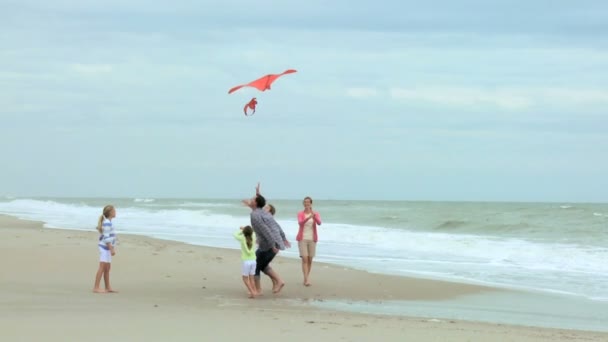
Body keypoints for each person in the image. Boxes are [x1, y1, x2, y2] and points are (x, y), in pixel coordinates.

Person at [248, 193, 291, 294]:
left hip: (269, 245)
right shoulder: (264, 214)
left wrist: (272, 245)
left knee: (255, 265)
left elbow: (265, 230)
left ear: (256, 203)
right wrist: (283, 238)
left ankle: (259, 290)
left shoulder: (256, 214)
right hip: (273, 243)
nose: (250, 200)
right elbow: (277, 226)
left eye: (253, 199)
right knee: (262, 265)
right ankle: (278, 282)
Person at [296, 196, 322, 286]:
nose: (306, 203)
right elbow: (300, 223)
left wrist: (314, 217)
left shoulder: (316, 213)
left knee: (310, 259)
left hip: (312, 239)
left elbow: (319, 223)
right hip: (302, 238)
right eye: (305, 202)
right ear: (303, 204)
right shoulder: (300, 214)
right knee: (305, 258)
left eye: (308, 202)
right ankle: (306, 279)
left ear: (311, 203)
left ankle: (306, 277)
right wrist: (308, 217)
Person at [93, 205, 118, 293]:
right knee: (102, 267)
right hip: (104, 248)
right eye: (114, 210)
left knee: (107, 268)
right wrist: (111, 249)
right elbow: (106, 238)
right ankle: (96, 287)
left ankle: (108, 287)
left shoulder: (109, 222)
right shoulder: (107, 222)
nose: (115, 211)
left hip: (107, 248)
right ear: (110, 212)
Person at [233, 225, 257, 298]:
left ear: (244, 232)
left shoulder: (242, 238)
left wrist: (241, 230)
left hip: (246, 261)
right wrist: (246, 229)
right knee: (252, 277)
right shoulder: (254, 236)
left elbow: (234, 234)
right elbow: (253, 232)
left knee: (245, 278)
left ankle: (252, 292)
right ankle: (254, 291)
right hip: (253, 260)